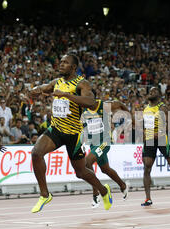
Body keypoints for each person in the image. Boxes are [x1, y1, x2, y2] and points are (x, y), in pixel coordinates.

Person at [28, 54, 113, 213]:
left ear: (74, 67)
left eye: (65, 63)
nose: (61, 65)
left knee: (81, 172)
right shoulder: (57, 82)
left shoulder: (82, 84)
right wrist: (34, 91)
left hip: (74, 135)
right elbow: (42, 88)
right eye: (60, 62)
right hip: (56, 129)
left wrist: (66, 95)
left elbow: (91, 103)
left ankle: (103, 191)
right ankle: (44, 194)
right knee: (36, 153)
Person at [81, 99, 129, 208]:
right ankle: (123, 185)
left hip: (104, 142)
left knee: (87, 163)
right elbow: (83, 128)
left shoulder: (105, 106)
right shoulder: (82, 109)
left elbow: (120, 104)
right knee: (105, 169)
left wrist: (130, 118)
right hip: (93, 144)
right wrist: (82, 143)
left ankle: (96, 194)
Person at [142, 87, 170, 206]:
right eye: (150, 91)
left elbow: (168, 125)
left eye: (154, 91)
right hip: (149, 139)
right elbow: (145, 126)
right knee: (147, 166)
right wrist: (145, 132)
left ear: (159, 95)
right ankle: (148, 199)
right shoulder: (146, 109)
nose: (150, 92)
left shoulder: (162, 107)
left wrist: (158, 134)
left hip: (161, 139)